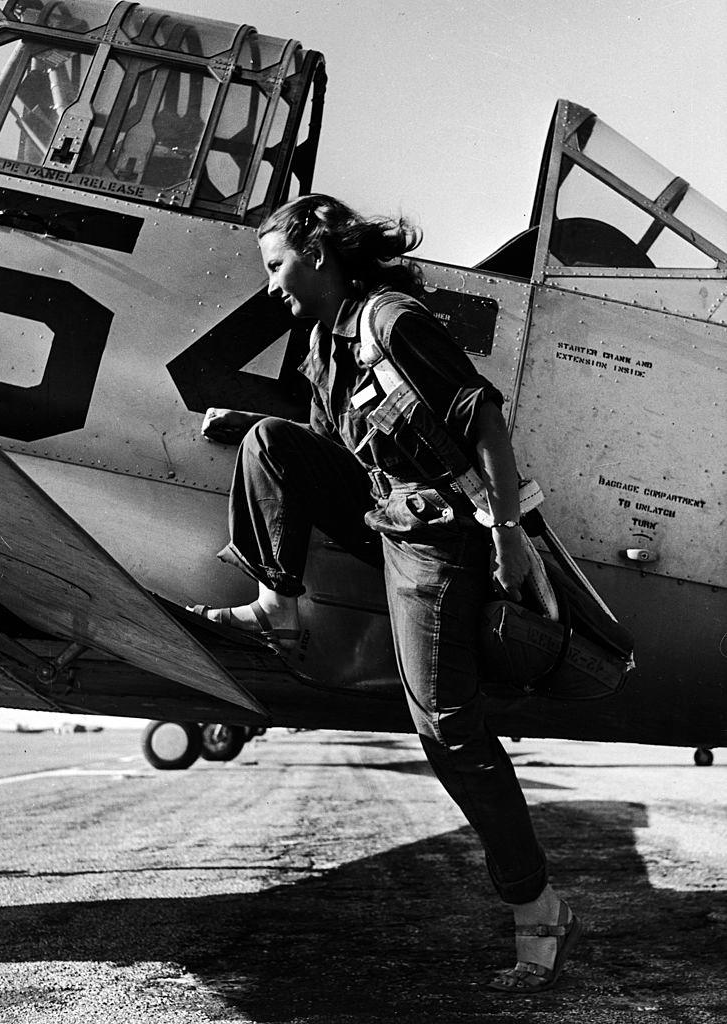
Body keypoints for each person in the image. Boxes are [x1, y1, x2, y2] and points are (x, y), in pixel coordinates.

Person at [192, 194, 582, 993]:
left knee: (446, 727)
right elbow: (336, 455)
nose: (272, 287)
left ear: (319, 252)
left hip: (437, 537)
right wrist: (252, 431)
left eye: (277, 266)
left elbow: (484, 419)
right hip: (380, 511)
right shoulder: (318, 348)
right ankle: (277, 608)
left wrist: (506, 536)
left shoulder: (390, 320)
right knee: (272, 440)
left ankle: (538, 904)